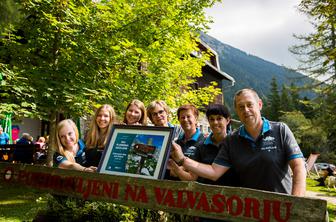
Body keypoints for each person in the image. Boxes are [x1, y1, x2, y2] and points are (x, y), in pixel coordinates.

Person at [170, 88, 306, 196]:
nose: (246, 110)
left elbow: (298, 167)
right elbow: (214, 172)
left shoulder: (280, 130)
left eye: (249, 105)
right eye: (241, 107)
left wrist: (295, 203)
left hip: (280, 211)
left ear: (259, 105)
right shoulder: (232, 140)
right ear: (237, 111)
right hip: (248, 210)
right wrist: (182, 160)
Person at [170, 104, 239, 187]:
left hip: (233, 195)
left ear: (227, 120)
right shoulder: (201, 146)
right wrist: (176, 168)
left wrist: (181, 162)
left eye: (219, 118)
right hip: (206, 195)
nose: (215, 122)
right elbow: (192, 177)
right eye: (212, 119)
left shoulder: (235, 143)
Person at [166, 104, 205, 180]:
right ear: (179, 120)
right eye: (182, 117)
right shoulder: (176, 143)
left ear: (195, 118)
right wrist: (183, 169)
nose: (185, 120)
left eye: (188, 116)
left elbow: (194, 176)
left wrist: (176, 169)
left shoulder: (203, 142)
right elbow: (168, 168)